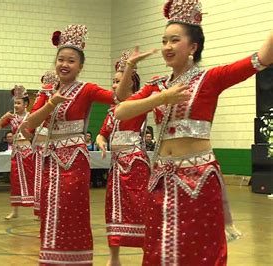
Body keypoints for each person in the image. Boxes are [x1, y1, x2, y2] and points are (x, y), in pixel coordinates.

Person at [114, 1, 272, 264]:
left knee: (198, 246)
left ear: (193, 47)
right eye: (164, 40)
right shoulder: (158, 86)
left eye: (175, 40)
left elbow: (261, 59)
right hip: (161, 179)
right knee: (158, 246)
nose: (167, 47)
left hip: (197, 179)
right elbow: (121, 111)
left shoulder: (211, 78)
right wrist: (161, 98)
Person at [21, 25, 116, 265]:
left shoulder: (87, 89)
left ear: (80, 66)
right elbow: (28, 124)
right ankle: (50, 259)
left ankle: (77, 260)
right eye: (61, 59)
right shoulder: (48, 93)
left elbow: (117, 99)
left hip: (74, 160)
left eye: (71, 61)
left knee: (71, 211)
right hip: (49, 160)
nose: (64, 64)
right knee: (50, 212)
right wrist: (51, 103)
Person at [95, 51, 151, 266]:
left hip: (135, 164)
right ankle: (114, 258)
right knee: (113, 210)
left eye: (119, 81)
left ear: (130, 83)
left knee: (140, 209)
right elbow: (102, 132)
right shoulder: (111, 111)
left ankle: (148, 253)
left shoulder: (141, 104)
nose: (114, 85)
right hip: (116, 166)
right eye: (113, 81)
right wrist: (101, 140)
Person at [0, 85, 34, 220]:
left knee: (32, 180)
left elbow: (32, 135)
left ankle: (38, 210)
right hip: (16, 152)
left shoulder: (31, 117)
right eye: (15, 103)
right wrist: (4, 116)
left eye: (18, 103)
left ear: (26, 104)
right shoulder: (11, 117)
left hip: (28, 151)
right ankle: (14, 210)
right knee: (15, 182)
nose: (16, 105)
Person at [30, 71, 59, 218]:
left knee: (44, 177)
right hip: (48, 140)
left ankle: (45, 208)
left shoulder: (45, 93)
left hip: (49, 140)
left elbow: (33, 114)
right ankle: (46, 208)